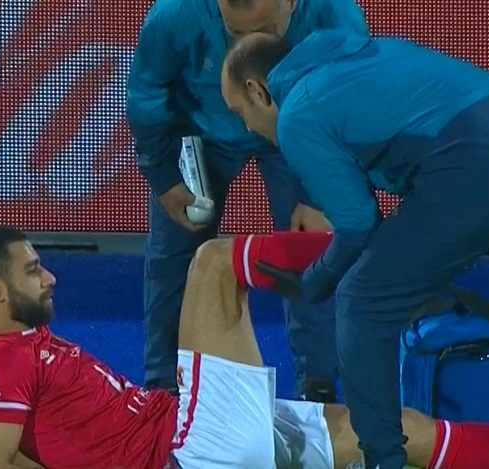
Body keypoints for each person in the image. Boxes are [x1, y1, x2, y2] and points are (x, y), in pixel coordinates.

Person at [220, 29, 489, 468]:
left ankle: (384, 459)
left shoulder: (297, 113)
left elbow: (358, 224)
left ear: (258, 90)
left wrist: (315, 280)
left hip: (478, 171)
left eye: (239, 112)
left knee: (362, 304)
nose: (247, 127)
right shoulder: (363, 54)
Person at [0, 225, 489, 469]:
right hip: (189, 449)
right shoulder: (0, 360)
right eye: (33, 270)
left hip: (199, 439)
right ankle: (380, 254)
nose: (50, 276)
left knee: (396, 429)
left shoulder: (28, 344)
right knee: (213, 263)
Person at [125, 0, 370, 399]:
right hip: (200, 129)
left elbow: (350, 99)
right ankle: (165, 385)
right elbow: (147, 92)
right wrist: (164, 178)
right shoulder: (175, 14)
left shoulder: (333, 13)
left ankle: (318, 385)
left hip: (297, 130)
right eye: (234, 33)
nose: (247, 48)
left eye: (266, 31)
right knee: (174, 252)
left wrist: (319, 194)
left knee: (311, 245)